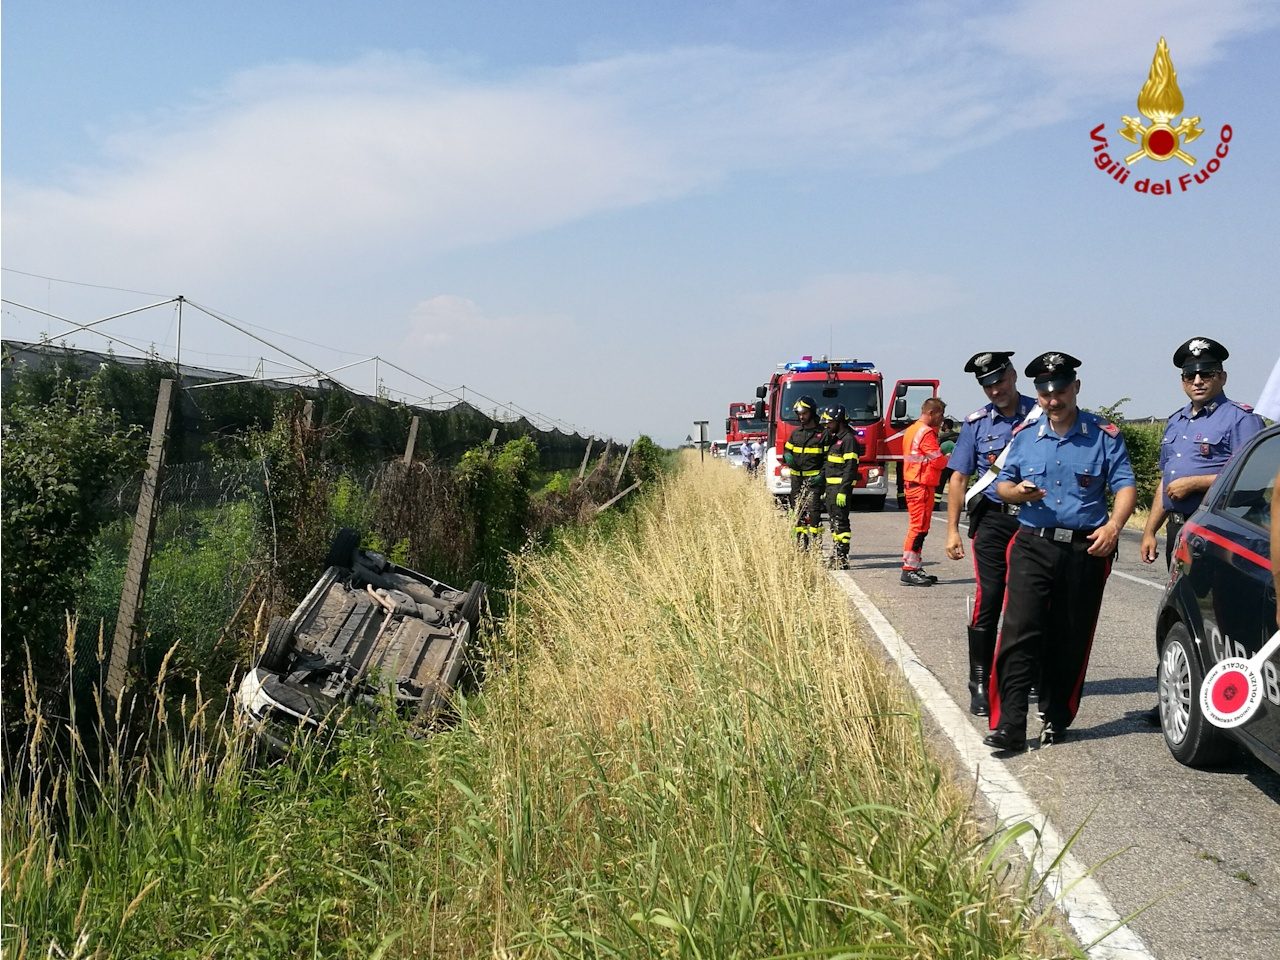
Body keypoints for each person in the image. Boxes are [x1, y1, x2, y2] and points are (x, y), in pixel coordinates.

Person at [984, 352, 1136, 753]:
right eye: (1046, 393)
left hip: (1086, 549)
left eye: (1061, 391)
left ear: (1076, 388)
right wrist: (1016, 493)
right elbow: (1001, 484)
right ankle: (1009, 724)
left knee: (1069, 637)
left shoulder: (1104, 435)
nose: (1054, 400)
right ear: (1038, 394)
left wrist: (1114, 527)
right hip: (1034, 544)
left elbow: (1124, 485)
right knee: (1019, 632)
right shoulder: (1024, 435)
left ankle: (1056, 716)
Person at [943, 352, 1037, 715]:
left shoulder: (1040, 414)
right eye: (987, 385)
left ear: (1012, 376)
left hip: (1033, 520)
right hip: (993, 521)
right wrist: (952, 530)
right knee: (991, 596)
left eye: (999, 381)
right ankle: (980, 681)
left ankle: (1025, 673)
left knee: (1029, 600)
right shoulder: (976, 424)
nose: (995, 390)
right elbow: (959, 478)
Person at [1141, 337, 1264, 569]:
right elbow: (1166, 480)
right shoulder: (1176, 421)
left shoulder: (1241, 419)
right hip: (1178, 529)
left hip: (1218, 532)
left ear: (1222, 377)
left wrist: (1195, 484)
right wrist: (1150, 531)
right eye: (1190, 376)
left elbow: (1252, 478)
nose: (1197, 381)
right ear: (1183, 382)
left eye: (1206, 374)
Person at [900, 397, 948, 586]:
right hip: (920, 485)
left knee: (920, 528)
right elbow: (938, 461)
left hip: (917, 484)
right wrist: (949, 458)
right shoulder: (926, 432)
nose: (942, 419)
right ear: (931, 413)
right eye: (940, 415)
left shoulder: (913, 429)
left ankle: (915, 565)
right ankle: (909, 569)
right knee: (918, 528)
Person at [820, 405, 864, 569]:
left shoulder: (848, 440)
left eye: (829, 422)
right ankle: (837, 555)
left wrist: (843, 491)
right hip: (831, 488)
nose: (827, 425)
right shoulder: (835, 438)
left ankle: (842, 558)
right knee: (834, 523)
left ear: (839, 421)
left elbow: (850, 468)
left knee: (841, 523)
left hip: (840, 489)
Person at [783, 395, 827, 549]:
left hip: (814, 481)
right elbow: (787, 450)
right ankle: (801, 544)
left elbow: (829, 459)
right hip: (797, 480)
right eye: (799, 414)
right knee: (797, 512)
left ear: (812, 412)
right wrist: (787, 456)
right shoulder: (796, 433)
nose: (801, 417)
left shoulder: (823, 434)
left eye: (804, 413)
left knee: (814, 512)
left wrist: (821, 475)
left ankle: (816, 545)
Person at [933, 417, 959, 511]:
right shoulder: (958, 436)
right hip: (955, 464)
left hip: (944, 464)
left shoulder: (942, 437)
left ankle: (936, 505)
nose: (942, 427)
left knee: (940, 485)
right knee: (955, 485)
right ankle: (957, 505)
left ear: (946, 426)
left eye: (943, 425)